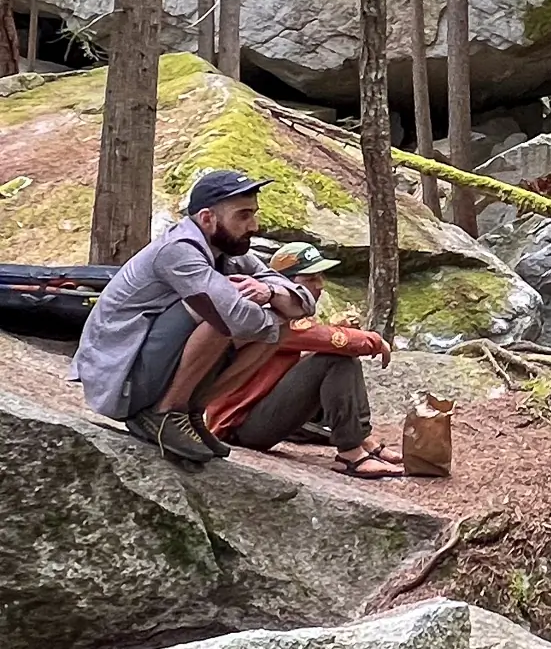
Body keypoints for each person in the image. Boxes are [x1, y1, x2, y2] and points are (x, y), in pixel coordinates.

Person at [69, 168, 313, 465]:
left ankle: (190, 412)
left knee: (277, 328)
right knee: (215, 312)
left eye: (254, 214)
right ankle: (164, 413)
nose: (254, 225)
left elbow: (304, 303)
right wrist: (275, 316)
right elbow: (234, 315)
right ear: (208, 218)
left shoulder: (229, 250)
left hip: (152, 364)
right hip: (122, 378)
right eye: (244, 215)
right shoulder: (179, 250)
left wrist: (270, 294)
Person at [202, 242, 405, 477]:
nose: (319, 286)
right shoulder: (269, 313)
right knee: (336, 360)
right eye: (310, 279)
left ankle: (364, 441)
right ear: (284, 284)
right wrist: (374, 341)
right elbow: (329, 339)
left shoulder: (282, 311)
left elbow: (307, 343)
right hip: (239, 427)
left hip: (260, 409)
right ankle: (351, 455)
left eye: (320, 277)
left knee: (333, 359)